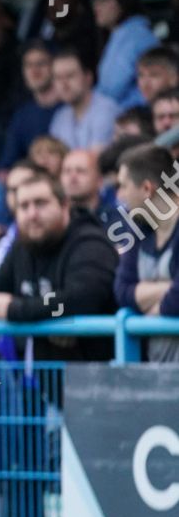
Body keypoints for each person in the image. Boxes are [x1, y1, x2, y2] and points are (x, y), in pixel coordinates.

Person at [0, 168, 118, 361]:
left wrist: (16, 309)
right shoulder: (22, 246)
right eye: (24, 206)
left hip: (99, 377)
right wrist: (46, 312)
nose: (32, 214)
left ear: (64, 206)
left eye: (40, 203)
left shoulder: (90, 243)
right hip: (47, 381)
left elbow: (79, 301)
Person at [113, 143, 179, 362]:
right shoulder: (138, 231)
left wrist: (151, 304)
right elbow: (122, 292)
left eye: (123, 186)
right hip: (155, 378)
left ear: (146, 189)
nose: (119, 195)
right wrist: (169, 288)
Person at [92, 0, 160, 109]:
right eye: (95, 0)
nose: (97, 6)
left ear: (123, 1)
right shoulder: (120, 34)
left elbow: (112, 88)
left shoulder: (136, 36)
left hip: (135, 117)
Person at [0, 42, 62, 171]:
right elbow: (6, 165)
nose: (34, 71)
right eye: (28, 65)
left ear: (55, 66)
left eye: (41, 64)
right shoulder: (22, 115)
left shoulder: (70, 106)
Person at [50, 48, 121, 151]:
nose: (64, 84)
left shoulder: (106, 110)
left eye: (70, 76)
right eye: (58, 78)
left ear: (88, 77)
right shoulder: (60, 117)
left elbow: (93, 159)